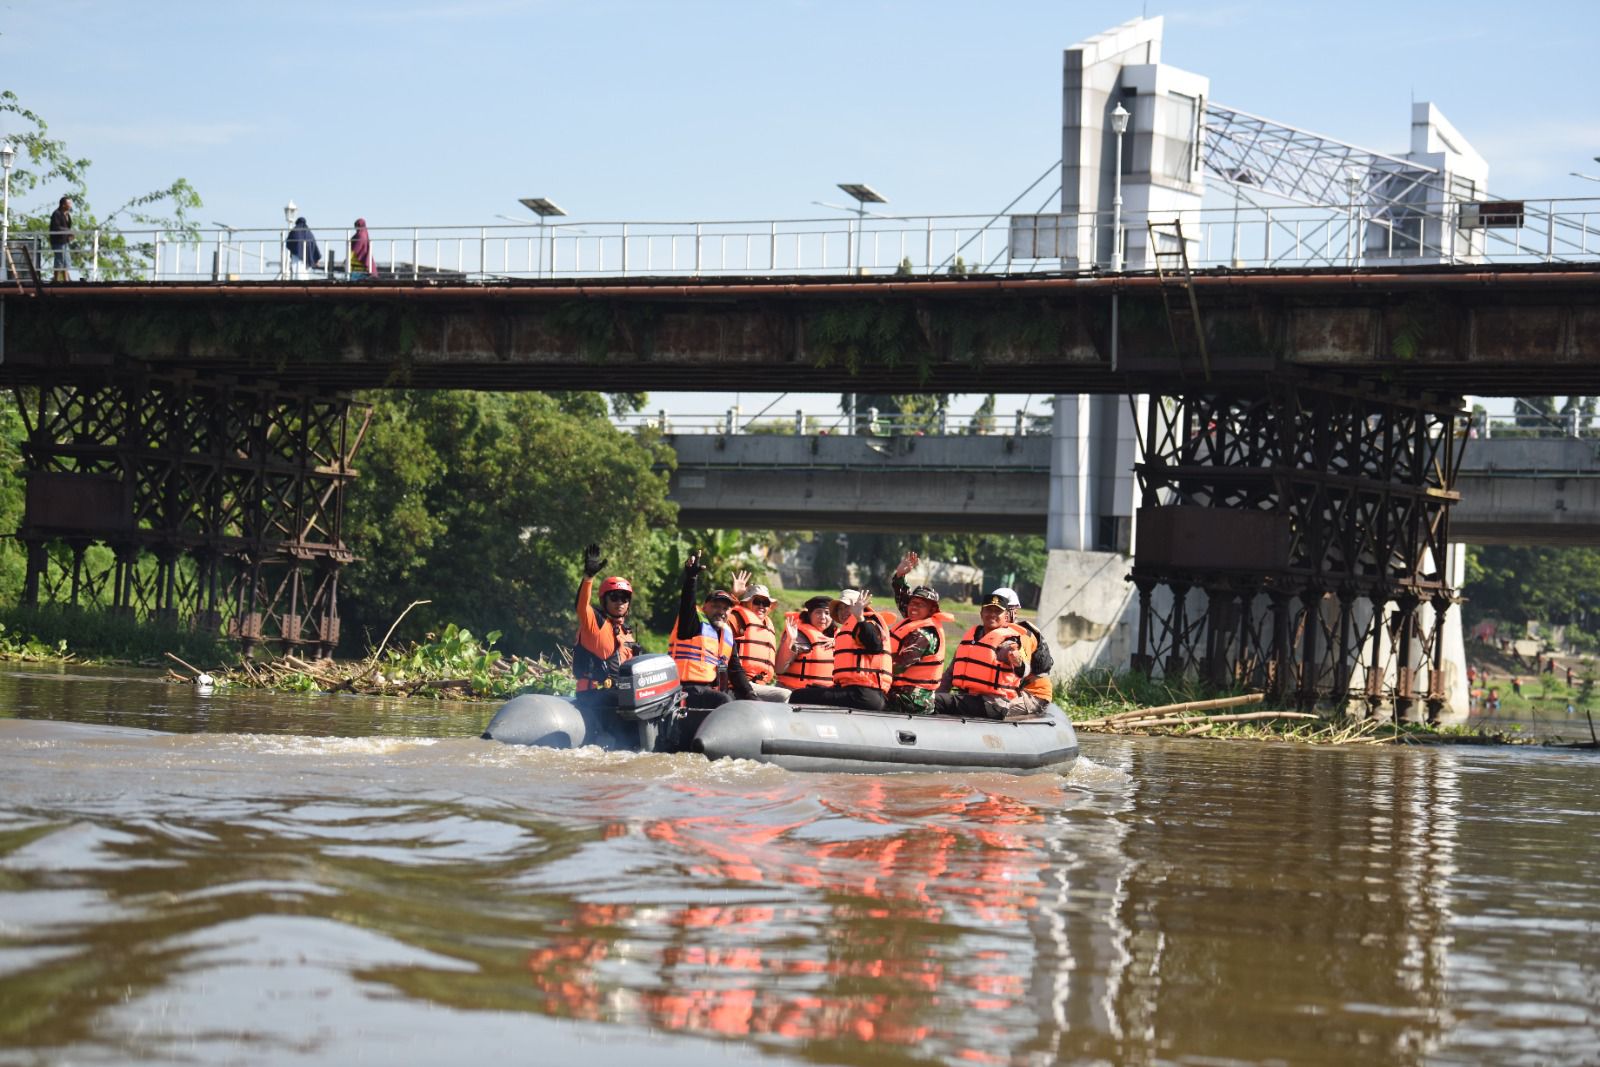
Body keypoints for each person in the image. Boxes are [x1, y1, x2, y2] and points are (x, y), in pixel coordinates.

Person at [668, 550, 755, 712]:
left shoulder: (726, 635)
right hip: (685, 689)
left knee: (741, 702)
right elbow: (687, 602)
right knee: (724, 701)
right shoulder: (692, 623)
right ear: (705, 607)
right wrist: (691, 578)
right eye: (715, 606)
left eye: (725, 608)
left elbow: (735, 671)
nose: (720, 611)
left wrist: (752, 696)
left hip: (709, 689)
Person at [787, 588, 891, 710]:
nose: (842, 611)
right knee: (811, 689)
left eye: (847, 607)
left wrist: (860, 618)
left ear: (860, 607)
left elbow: (875, 646)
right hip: (851, 691)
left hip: (864, 693)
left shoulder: (867, 622)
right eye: (840, 608)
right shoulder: (850, 629)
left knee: (798, 696)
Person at [571, 542, 643, 711]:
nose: (620, 602)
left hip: (617, 694)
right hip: (593, 694)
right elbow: (581, 605)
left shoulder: (628, 634)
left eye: (624, 598)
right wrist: (588, 577)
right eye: (614, 597)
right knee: (631, 701)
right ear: (604, 600)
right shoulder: (595, 621)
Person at [936, 593, 1030, 720]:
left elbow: (1024, 669)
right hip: (969, 698)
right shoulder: (971, 637)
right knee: (932, 700)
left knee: (937, 701)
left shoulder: (1009, 641)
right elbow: (950, 673)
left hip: (993, 703)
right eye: (988, 610)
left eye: (997, 611)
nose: (992, 614)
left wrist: (1018, 662)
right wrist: (936, 694)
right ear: (981, 613)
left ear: (1006, 616)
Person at [886, 583, 953, 716]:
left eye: (920, 604)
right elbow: (902, 601)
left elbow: (898, 667)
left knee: (867, 699)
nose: (913, 607)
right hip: (901, 692)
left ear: (931, 609)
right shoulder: (913, 623)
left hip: (913, 699)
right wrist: (899, 578)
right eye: (912, 603)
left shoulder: (923, 635)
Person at [991, 585, 1055, 714]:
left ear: (1014, 612)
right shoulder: (994, 634)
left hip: (1033, 695)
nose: (995, 615)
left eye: (1000, 611)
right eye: (992, 610)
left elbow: (1022, 669)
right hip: (1012, 692)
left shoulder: (1022, 635)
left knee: (990, 707)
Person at [726, 576, 789, 702]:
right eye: (757, 601)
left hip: (760, 684)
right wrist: (733, 595)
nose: (761, 606)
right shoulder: (735, 618)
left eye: (765, 603)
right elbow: (718, 619)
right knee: (786, 695)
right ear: (745, 603)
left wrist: (789, 642)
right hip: (737, 683)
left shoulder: (767, 626)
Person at [775, 596, 835, 691]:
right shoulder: (798, 634)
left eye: (827, 613)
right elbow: (779, 669)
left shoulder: (837, 638)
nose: (823, 617)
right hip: (793, 690)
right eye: (818, 612)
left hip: (823, 693)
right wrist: (789, 641)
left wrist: (838, 641)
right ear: (809, 615)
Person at [48, 197, 73, 282]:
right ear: (63, 205)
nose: (70, 205)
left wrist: (69, 234)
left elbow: (67, 227)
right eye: (69, 203)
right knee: (59, 259)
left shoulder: (67, 215)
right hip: (58, 241)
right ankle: (56, 279)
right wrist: (68, 231)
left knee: (66, 260)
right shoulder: (56, 214)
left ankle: (66, 279)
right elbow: (56, 227)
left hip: (65, 241)